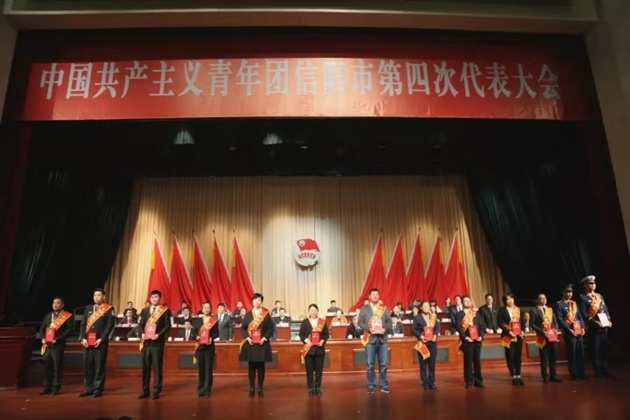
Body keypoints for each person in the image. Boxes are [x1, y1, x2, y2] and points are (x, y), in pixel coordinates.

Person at [79, 288, 116, 398]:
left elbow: (109, 325)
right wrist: (83, 338)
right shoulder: (88, 309)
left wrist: (102, 339)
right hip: (87, 342)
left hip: (100, 342)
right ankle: (88, 388)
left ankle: (97, 388)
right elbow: (83, 324)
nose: (96, 297)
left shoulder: (109, 308)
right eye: (95, 295)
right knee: (88, 365)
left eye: (99, 295)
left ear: (104, 296)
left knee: (99, 366)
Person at [138, 289, 172, 399]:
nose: (154, 299)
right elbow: (140, 325)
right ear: (150, 298)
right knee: (145, 367)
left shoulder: (164, 310)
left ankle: (156, 390)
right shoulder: (144, 311)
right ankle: (145, 390)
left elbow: (167, 325)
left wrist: (159, 334)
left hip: (157, 343)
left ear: (159, 298)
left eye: (156, 297)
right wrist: (142, 333)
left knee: (157, 367)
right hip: (146, 343)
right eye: (152, 297)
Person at [358, 288, 392, 394]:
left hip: (382, 339)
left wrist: (384, 329)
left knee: (383, 364)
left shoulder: (384, 308)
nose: (375, 296)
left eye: (377, 294)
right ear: (369, 296)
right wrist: (369, 329)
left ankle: (384, 385)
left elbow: (389, 321)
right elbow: (360, 322)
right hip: (370, 339)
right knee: (370, 364)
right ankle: (371, 385)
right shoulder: (364, 309)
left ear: (379, 296)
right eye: (373, 294)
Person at [239, 293, 274, 397]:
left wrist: (264, 338)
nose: (257, 302)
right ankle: (251, 388)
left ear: (261, 302)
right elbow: (243, 329)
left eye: (259, 300)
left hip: (262, 344)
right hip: (251, 344)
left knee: (261, 367)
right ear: (252, 301)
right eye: (255, 300)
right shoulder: (248, 314)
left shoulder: (265, 314)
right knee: (251, 367)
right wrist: (247, 338)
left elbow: (270, 328)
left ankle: (260, 388)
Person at [578, 275, 612, 378]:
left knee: (604, 349)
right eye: (590, 284)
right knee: (595, 350)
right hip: (593, 327)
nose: (593, 285)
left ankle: (605, 369)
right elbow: (584, 313)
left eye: (594, 283)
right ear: (585, 285)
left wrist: (609, 320)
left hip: (604, 326)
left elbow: (605, 309)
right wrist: (595, 322)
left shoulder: (599, 296)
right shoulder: (583, 298)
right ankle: (598, 371)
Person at [39, 297, 73, 396]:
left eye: (58, 303)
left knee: (57, 367)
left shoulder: (68, 316)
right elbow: (42, 329)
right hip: (47, 345)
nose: (55, 305)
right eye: (54, 303)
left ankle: (56, 387)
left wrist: (57, 339)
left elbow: (69, 330)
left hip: (58, 345)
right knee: (47, 366)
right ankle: (47, 387)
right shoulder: (48, 316)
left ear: (62, 305)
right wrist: (42, 338)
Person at [554, 284, 587, 380]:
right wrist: (569, 329)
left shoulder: (574, 303)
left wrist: (583, 327)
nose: (569, 294)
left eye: (571, 292)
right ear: (563, 293)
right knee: (572, 353)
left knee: (580, 353)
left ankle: (581, 373)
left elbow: (579, 316)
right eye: (567, 292)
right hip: (569, 332)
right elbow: (560, 319)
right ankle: (574, 373)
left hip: (578, 330)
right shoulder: (559, 304)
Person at [299, 304, 329, 396]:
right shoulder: (305, 322)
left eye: (315, 310)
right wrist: (306, 340)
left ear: (318, 311)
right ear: (309, 312)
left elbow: (326, 334)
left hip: (319, 349)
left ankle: (318, 388)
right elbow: (301, 334)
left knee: (319, 370)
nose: (314, 312)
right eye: (312, 310)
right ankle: (311, 388)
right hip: (309, 350)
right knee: (309, 370)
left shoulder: (322, 322)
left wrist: (322, 341)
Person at [531, 293, 562, 383]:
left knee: (553, 356)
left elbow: (555, 322)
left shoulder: (550, 309)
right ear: (537, 300)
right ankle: (545, 376)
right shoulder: (534, 310)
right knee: (544, 357)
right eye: (541, 298)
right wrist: (542, 331)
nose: (543, 299)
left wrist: (556, 330)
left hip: (552, 336)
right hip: (542, 336)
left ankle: (553, 375)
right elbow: (532, 324)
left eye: (545, 298)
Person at [456, 296, 485, 389]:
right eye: (465, 301)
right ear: (462, 303)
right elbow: (459, 328)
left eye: (469, 301)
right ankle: (469, 381)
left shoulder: (476, 313)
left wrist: (481, 336)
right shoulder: (459, 314)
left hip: (477, 341)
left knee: (477, 362)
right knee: (468, 362)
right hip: (467, 341)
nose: (468, 302)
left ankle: (478, 381)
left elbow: (482, 326)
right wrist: (466, 338)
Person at [497, 292, 524, 386]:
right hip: (508, 336)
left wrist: (522, 331)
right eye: (508, 299)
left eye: (511, 298)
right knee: (510, 356)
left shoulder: (518, 309)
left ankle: (518, 375)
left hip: (518, 336)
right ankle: (513, 376)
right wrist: (509, 331)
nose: (510, 300)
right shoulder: (502, 310)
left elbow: (521, 322)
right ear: (505, 301)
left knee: (518, 356)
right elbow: (500, 322)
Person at [412, 301, 440, 391]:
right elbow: (414, 330)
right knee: (423, 364)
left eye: (428, 306)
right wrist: (421, 336)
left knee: (432, 364)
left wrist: (435, 335)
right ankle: (425, 383)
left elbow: (437, 328)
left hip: (432, 343)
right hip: (422, 343)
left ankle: (432, 382)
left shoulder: (433, 317)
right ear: (421, 307)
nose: (427, 308)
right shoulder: (417, 317)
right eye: (425, 306)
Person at [195, 302, 219, 397]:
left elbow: (217, 333)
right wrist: (196, 336)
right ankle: (201, 389)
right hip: (199, 348)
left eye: (208, 307)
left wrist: (211, 338)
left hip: (209, 348)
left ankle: (207, 390)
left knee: (208, 369)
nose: (206, 309)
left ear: (211, 309)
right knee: (201, 369)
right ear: (202, 309)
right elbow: (193, 332)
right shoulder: (197, 321)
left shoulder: (213, 320)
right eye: (204, 307)